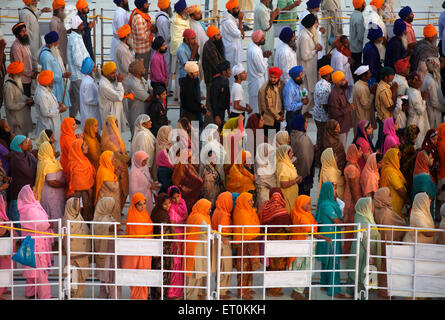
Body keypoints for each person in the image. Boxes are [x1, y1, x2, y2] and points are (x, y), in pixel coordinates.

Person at [288, 194, 331, 300]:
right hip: (303, 244)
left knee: (301, 266)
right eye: (308, 203)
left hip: (301, 243)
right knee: (304, 267)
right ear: (302, 205)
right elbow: (311, 232)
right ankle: (296, 292)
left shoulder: (298, 212)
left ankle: (300, 287)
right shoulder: (302, 216)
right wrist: (324, 238)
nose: (311, 205)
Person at [18, 184, 53, 299]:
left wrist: (48, 225)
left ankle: (31, 292)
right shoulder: (29, 209)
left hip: (37, 242)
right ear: (28, 194)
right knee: (41, 271)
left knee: (34, 269)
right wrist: (49, 225)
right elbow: (39, 224)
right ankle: (45, 295)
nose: (36, 193)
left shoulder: (35, 206)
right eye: (33, 191)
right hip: (35, 244)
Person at [345, 197, 381, 299]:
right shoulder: (363, 220)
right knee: (362, 271)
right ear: (365, 207)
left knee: (357, 270)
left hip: (361, 248)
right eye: (371, 205)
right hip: (364, 250)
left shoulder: (361, 215)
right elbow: (365, 239)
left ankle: (350, 292)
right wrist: (370, 255)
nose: (372, 207)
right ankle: (360, 294)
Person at [315, 181, 345, 298]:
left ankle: (324, 283)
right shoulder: (327, 205)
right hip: (330, 237)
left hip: (328, 236)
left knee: (327, 261)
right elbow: (338, 222)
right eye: (333, 189)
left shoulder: (326, 202)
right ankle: (334, 290)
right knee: (333, 262)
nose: (335, 191)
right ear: (329, 191)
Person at [258, 188, 290, 297]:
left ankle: (269, 288)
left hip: (268, 241)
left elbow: (261, 221)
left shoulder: (264, 206)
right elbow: (288, 227)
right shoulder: (281, 210)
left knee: (270, 266)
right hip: (280, 244)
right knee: (279, 267)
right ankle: (274, 291)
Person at [121, 193, 154, 299]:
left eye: (144, 203)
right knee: (136, 276)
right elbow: (138, 234)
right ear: (134, 205)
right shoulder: (132, 216)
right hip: (136, 252)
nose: (143, 206)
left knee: (144, 276)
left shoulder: (145, 215)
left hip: (145, 251)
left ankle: (143, 297)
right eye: (140, 204)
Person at [232, 192, 260, 299]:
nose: (252, 202)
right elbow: (248, 229)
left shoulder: (248, 211)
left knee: (249, 267)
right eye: (250, 201)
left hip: (249, 242)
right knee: (244, 268)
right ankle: (242, 292)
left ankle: (247, 289)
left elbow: (254, 226)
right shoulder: (241, 212)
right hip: (243, 244)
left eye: (252, 200)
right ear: (244, 201)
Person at [92, 197, 121, 299]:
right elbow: (111, 227)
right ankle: (106, 295)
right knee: (106, 277)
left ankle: (113, 295)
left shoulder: (109, 217)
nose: (113, 208)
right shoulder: (100, 219)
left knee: (113, 276)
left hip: (112, 252)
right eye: (111, 205)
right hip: (105, 253)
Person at [62, 197, 91, 298]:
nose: (80, 206)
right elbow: (65, 240)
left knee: (81, 279)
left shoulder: (79, 217)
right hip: (73, 257)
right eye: (78, 204)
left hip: (83, 256)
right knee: (72, 281)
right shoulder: (66, 220)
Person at [184, 198, 212, 300]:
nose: (210, 210)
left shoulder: (194, 215)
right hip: (196, 248)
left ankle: (196, 295)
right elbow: (209, 230)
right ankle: (191, 297)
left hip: (196, 247)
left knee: (197, 273)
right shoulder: (199, 218)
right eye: (208, 208)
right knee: (195, 274)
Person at [101, 116, 130, 210]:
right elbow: (118, 154)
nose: (117, 124)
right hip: (115, 168)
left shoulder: (116, 136)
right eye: (115, 122)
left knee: (122, 190)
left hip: (122, 166)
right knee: (117, 190)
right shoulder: (107, 141)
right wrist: (129, 159)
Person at [7, 136, 37, 223]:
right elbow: (27, 173)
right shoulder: (15, 157)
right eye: (25, 142)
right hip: (17, 193)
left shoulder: (27, 155)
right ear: (19, 145)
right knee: (18, 221)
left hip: (28, 194)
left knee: (27, 221)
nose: (27, 144)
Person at [297, 13, 322, 115]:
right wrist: (315, 50)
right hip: (306, 69)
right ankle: (301, 112)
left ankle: (305, 111)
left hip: (311, 67)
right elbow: (305, 56)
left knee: (310, 91)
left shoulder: (308, 34)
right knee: (307, 92)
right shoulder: (305, 37)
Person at [40, 31, 72, 109]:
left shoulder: (52, 51)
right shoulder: (46, 56)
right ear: (51, 43)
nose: (58, 44)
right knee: (55, 108)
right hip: (53, 87)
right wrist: (62, 75)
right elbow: (47, 75)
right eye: (56, 42)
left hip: (59, 84)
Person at [34, 70, 66, 147]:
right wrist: (59, 110)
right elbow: (45, 112)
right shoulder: (42, 95)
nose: (53, 82)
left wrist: (57, 104)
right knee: (50, 145)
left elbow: (49, 104)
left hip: (52, 123)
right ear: (46, 82)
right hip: (48, 124)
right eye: (51, 80)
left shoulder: (45, 89)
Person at [211, 191, 233, 299]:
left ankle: (220, 288)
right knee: (225, 267)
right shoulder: (224, 214)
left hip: (217, 241)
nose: (232, 202)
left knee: (221, 267)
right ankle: (221, 292)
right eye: (230, 200)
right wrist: (224, 238)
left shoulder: (217, 211)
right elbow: (223, 232)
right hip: (224, 243)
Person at [150, 193, 173, 300]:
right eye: (165, 204)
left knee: (157, 273)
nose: (168, 206)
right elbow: (163, 234)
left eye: (169, 203)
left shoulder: (156, 212)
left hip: (158, 248)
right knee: (163, 273)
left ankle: (156, 295)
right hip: (162, 249)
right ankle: (161, 296)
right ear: (160, 204)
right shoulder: (162, 215)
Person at [34, 141, 65, 220]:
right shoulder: (47, 163)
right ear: (47, 149)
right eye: (52, 147)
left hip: (54, 195)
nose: (54, 149)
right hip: (51, 196)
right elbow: (51, 182)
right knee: (54, 216)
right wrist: (64, 184)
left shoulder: (48, 161)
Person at [67, 139, 96, 221]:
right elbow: (78, 182)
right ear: (79, 148)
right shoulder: (74, 164)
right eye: (85, 145)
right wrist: (88, 188)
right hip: (79, 196)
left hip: (88, 195)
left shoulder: (85, 160)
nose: (88, 147)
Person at [167, 186, 187, 299]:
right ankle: (173, 292)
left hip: (184, 234)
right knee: (176, 263)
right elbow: (173, 226)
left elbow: (186, 217)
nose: (176, 200)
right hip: (176, 237)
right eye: (173, 198)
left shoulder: (183, 202)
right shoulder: (171, 207)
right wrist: (177, 244)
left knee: (182, 262)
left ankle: (180, 290)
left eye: (178, 196)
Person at [67, 15, 90, 118]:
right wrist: (88, 68)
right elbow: (78, 60)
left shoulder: (75, 37)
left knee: (74, 98)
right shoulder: (74, 39)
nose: (83, 26)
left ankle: (72, 118)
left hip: (76, 74)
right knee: (81, 99)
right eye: (81, 25)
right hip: (79, 74)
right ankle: (85, 121)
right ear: (76, 26)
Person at [342, 144, 363, 254]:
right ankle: (346, 250)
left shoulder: (352, 165)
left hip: (351, 196)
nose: (362, 153)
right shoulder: (351, 168)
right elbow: (353, 187)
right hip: (351, 198)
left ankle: (348, 249)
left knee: (351, 224)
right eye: (360, 151)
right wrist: (357, 201)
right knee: (350, 225)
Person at [3, 61, 33, 135]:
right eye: (20, 72)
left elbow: (19, 96)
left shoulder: (16, 81)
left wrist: (27, 100)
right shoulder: (9, 86)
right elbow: (10, 105)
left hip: (22, 120)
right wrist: (24, 103)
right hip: (16, 122)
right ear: (14, 74)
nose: (22, 74)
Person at [327, 71, 355, 148]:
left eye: (344, 79)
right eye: (343, 80)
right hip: (340, 127)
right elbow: (335, 113)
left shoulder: (341, 90)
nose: (346, 81)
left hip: (345, 125)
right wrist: (349, 108)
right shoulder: (334, 95)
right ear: (336, 82)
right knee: (340, 149)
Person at [19, 0, 51, 67]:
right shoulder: (25, 13)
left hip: (34, 45)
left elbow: (33, 17)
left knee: (34, 64)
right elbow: (24, 32)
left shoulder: (29, 11)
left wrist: (41, 11)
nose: (36, 2)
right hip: (31, 46)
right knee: (32, 66)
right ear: (28, 2)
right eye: (34, 1)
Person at [313, 65, 333, 166]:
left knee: (320, 137)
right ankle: (318, 162)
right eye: (330, 73)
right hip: (322, 117)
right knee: (321, 140)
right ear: (327, 75)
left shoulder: (319, 83)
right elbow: (325, 105)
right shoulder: (324, 87)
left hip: (318, 115)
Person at [202, 26, 226, 114]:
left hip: (216, 80)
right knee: (211, 104)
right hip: (212, 80)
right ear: (212, 37)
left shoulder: (215, 44)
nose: (220, 36)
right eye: (218, 35)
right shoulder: (209, 48)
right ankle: (208, 125)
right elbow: (218, 65)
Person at [170, 0, 191, 100]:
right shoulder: (178, 22)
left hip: (179, 48)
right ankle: (179, 97)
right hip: (180, 49)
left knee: (179, 73)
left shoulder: (180, 17)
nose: (187, 10)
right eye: (186, 9)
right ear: (181, 11)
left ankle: (177, 96)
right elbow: (177, 37)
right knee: (181, 74)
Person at [380, 148, 409, 218]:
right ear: (391, 157)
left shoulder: (392, 169)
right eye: (397, 156)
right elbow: (400, 189)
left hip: (393, 205)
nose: (399, 158)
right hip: (394, 205)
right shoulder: (390, 172)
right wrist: (407, 200)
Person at [221, 0, 244, 86]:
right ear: (231, 10)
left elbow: (239, 32)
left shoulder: (231, 19)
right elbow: (238, 33)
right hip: (231, 51)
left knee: (235, 69)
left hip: (234, 49)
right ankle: (231, 91)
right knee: (232, 71)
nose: (239, 10)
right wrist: (241, 20)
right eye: (237, 8)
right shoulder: (228, 22)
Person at [98, 61, 126, 134]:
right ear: (107, 74)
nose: (116, 75)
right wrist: (119, 82)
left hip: (114, 113)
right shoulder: (103, 85)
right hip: (110, 114)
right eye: (113, 73)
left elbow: (117, 92)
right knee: (111, 137)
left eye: (115, 72)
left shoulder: (110, 81)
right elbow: (119, 97)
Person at [10, 23, 37, 97]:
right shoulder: (16, 47)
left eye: (25, 31)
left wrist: (34, 70)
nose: (25, 33)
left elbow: (30, 58)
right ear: (17, 34)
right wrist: (31, 74)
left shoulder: (25, 43)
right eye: (22, 31)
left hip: (28, 78)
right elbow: (20, 67)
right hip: (22, 80)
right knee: (24, 102)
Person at [290, 114, 314, 196]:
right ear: (301, 123)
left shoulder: (293, 134)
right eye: (306, 122)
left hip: (295, 174)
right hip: (303, 176)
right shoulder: (302, 139)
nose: (307, 124)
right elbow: (305, 158)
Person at [247, 30, 270, 114]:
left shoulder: (252, 46)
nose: (264, 39)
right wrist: (266, 58)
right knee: (256, 109)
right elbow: (261, 68)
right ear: (258, 40)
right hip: (257, 83)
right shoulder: (255, 51)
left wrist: (262, 56)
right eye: (262, 38)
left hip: (255, 81)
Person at [129, 0, 153, 79]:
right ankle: (141, 90)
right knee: (142, 73)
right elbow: (141, 37)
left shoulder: (142, 15)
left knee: (143, 72)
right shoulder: (139, 18)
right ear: (142, 5)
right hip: (142, 51)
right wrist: (150, 30)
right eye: (146, 4)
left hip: (144, 49)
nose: (148, 5)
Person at [375, 66, 398, 150]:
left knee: (382, 140)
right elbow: (391, 107)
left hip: (385, 119)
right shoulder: (383, 90)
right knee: (382, 141)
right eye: (391, 75)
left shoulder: (385, 85)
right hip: (384, 120)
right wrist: (394, 92)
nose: (393, 77)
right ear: (385, 77)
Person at [115, 25, 135, 117]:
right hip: (126, 79)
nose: (131, 36)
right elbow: (127, 68)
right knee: (127, 101)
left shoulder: (122, 46)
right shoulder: (123, 50)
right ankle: (127, 118)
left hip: (126, 77)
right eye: (130, 34)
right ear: (126, 36)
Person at [95, 151, 122, 221]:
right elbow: (114, 187)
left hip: (111, 200)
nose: (114, 160)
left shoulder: (109, 169)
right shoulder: (104, 172)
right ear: (107, 160)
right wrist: (118, 176)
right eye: (112, 158)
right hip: (107, 201)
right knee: (108, 222)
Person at [127, 59, 151, 137]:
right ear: (138, 72)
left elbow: (149, 88)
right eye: (143, 69)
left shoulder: (141, 79)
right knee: (137, 136)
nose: (145, 70)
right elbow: (148, 98)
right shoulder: (134, 84)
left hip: (142, 110)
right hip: (136, 113)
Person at [258, 67, 285, 134]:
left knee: (275, 139)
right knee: (270, 141)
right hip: (268, 119)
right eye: (271, 77)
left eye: (275, 78)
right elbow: (268, 107)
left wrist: (281, 113)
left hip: (277, 116)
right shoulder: (266, 89)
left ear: (278, 77)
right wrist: (278, 117)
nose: (272, 79)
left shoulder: (281, 83)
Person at [407, 72, 429, 148]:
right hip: (416, 123)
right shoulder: (414, 94)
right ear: (414, 81)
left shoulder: (412, 90)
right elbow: (420, 111)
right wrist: (424, 100)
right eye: (419, 80)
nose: (421, 82)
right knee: (417, 144)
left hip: (414, 121)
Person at [421, 57, 445, 129]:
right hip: (433, 114)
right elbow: (434, 103)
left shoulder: (428, 78)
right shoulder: (431, 82)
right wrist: (444, 109)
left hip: (432, 111)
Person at [253, 0, 280, 65]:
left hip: (265, 40)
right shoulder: (262, 10)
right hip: (265, 41)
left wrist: (272, 14)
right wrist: (274, 16)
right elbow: (266, 27)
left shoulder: (260, 7)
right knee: (267, 63)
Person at [283, 66, 308, 132]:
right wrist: (302, 103)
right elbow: (288, 106)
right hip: (292, 115)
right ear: (294, 77)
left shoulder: (295, 83)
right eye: (299, 76)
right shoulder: (289, 88)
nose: (301, 77)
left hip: (297, 112)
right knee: (292, 134)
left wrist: (302, 99)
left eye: (301, 75)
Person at [276, 144, 300, 212]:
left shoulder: (287, 163)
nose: (292, 154)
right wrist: (295, 181)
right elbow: (283, 184)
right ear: (285, 154)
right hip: (287, 195)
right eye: (291, 152)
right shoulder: (283, 166)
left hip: (291, 194)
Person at [352, 66, 376, 133]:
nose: (370, 74)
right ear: (364, 76)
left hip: (360, 117)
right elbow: (366, 105)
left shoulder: (358, 84)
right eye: (369, 73)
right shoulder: (362, 88)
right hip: (363, 119)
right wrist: (372, 94)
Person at [412, 150, 436, 215]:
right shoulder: (425, 176)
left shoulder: (416, 174)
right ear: (425, 160)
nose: (433, 159)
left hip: (417, 208)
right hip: (425, 209)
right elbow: (429, 194)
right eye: (431, 158)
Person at [155, 0, 172, 93]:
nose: (170, 6)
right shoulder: (164, 20)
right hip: (165, 46)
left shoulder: (159, 17)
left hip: (162, 45)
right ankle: (166, 89)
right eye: (169, 4)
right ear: (166, 7)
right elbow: (168, 36)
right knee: (166, 68)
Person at [79, 57, 101, 129]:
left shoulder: (89, 80)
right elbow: (89, 100)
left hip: (91, 114)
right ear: (90, 69)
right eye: (94, 67)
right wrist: (101, 101)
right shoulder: (88, 83)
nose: (96, 69)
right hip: (90, 115)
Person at [209, 61, 231, 128]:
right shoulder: (216, 83)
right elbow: (213, 100)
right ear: (224, 72)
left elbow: (227, 97)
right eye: (229, 70)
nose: (230, 71)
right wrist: (216, 115)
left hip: (222, 110)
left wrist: (228, 110)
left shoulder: (226, 81)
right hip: (217, 111)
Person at [254, 143, 277, 207]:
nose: (271, 155)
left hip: (265, 193)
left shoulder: (262, 160)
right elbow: (267, 181)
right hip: (265, 196)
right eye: (269, 152)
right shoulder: (261, 166)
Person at [349, 0, 366, 73]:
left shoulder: (353, 15)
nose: (365, 5)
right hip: (358, 49)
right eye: (364, 3)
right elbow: (361, 37)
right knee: (358, 72)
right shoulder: (359, 17)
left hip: (353, 47)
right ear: (361, 6)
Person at [50, 0, 68, 65]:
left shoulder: (60, 19)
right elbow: (54, 39)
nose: (64, 9)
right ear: (58, 10)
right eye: (63, 8)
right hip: (59, 51)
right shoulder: (54, 22)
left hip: (63, 49)